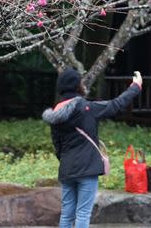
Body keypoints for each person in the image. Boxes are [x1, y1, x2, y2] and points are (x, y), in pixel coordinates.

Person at [42, 68, 143, 228]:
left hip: (67, 169)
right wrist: (135, 87)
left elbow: (57, 145)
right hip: (87, 168)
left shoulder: (56, 112)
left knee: (67, 214)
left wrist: (68, 160)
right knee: (83, 213)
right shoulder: (86, 108)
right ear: (77, 85)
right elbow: (115, 105)